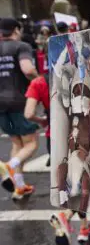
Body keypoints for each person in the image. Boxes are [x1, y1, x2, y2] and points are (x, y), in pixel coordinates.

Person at [50, 34, 90, 245]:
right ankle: (79, 223)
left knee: (83, 182)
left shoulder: (88, 116)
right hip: (72, 157)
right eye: (77, 91)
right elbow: (61, 96)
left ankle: (69, 218)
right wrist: (62, 77)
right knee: (64, 170)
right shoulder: (72, 115)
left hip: (81, 155)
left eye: (82, 92)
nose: (79, 94)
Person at [0, 18, 38, 200]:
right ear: (16, 30)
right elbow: (28, 69)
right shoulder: (21, 46)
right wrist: (39, 81)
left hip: (0, 104)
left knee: (17, 144)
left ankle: (20, 187)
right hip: (18, 101)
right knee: (31, 144)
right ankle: (9, 166)